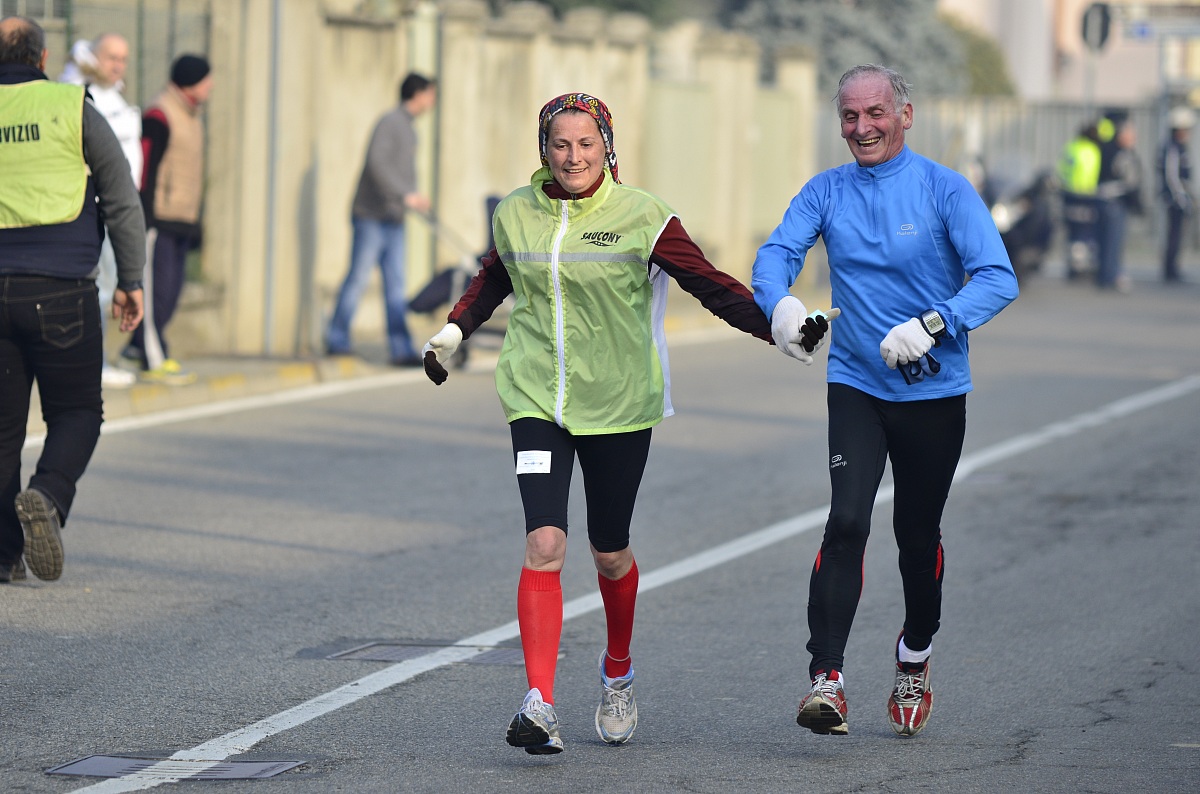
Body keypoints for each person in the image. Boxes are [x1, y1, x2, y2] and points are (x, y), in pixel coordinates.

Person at [420, 93, 825, 754]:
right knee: (545, 543)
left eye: (585, 144)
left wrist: (776, 329)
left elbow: (710, 285)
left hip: (619, 403)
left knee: (609, 551)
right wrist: (454, 329)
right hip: (536, 397)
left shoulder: (645, 216)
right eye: (560, 144)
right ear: (543, 148)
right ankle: (540, 702)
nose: (572, 157)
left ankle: (617, 672)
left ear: (606, 146)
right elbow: (494, 277)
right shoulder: (516, 213)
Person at [751, 64, 1018, 738]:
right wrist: (782, 308)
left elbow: (997, 277)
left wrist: (934, 322)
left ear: (905, 113)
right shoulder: (826, 190)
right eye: (849, 116)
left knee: (914, 536)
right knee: (846, 520)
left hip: (933, 391)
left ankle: (915, 653)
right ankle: (828, 679)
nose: (862, 128)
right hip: (857, 384)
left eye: (875, 113)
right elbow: (776, 253)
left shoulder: (943, 189)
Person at [0, 16, 145, 583]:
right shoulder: (68, 106)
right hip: (60, 288)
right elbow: (121, 197)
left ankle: (3, 554)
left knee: (3, 428)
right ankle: (48, 492)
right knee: (79, 410)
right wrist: (130, 279)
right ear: (41, 59)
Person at [326, 73, 437, 367]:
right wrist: (405, 194)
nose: (432, 101)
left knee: (396, 286)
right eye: (431, 94)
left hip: (393, 218)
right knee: (359, 278)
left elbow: (397, 171)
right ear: (419, 93)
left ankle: (400, 349)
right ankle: (337, 339)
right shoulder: (390, 122)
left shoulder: (409, 129)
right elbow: (377, 164)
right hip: (372, 216)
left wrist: (412, 196)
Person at [121, 53, 212, 384]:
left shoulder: (193, 116)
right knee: (156, 293)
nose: (211, 86)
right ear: (191, 82)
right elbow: (146, 170)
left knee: (171, 294)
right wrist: (145, 218)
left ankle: (135, 349)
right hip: (158, 219)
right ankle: (151, 357)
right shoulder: (160, 115)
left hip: (182, 220)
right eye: (206, 80)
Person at [60, 32, 142, 389]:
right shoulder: (75, 92)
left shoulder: (115, 96)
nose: (117, 65)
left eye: (123, 59)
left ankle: (98, 361)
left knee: (107, 288)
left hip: (119, 207)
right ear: (93, 56)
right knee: (99, 290)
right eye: (111, 57)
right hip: (94, 208)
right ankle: (93, 364)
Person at [1094, 111, 1142, 292]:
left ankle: (1105, 275)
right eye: (1131, 134)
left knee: (1106, 241)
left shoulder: (1106, 149)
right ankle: (1110, 276)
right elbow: (1130, 182)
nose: (1134, 138)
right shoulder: (1122, 154)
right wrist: (1138, 204)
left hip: (1105, 202)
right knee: (1112, 242)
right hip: (1114, 203)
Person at [1057, 121, 1103, 280]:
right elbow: (1092, 174)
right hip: (1085, 196)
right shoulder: (1092, 150)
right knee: (1084, 234)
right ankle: (1080, 267)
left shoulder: (1072, 147)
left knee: (1072, 234)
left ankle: (1072, 266)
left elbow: (1062, 170)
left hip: (1068, 194)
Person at [1159, 106, 1194, 283]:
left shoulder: (1180, 147)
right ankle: (1170, 269)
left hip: (1180, 198)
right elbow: (1171, 176)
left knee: (1178, 236)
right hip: (1175, 201)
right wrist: (1181, 198)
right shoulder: (1172, 148)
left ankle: (1174, 267)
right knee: (1174, 235)